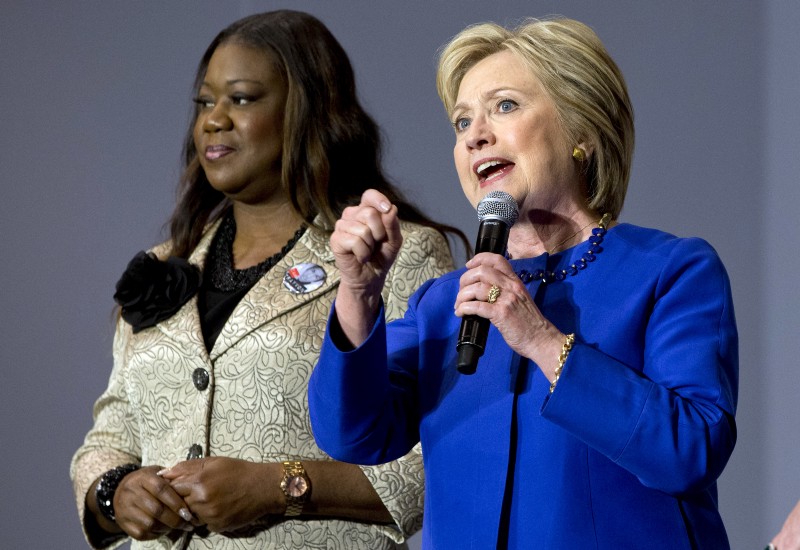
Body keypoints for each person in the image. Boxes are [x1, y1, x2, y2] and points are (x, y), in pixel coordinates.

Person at [308, 16, 738, 549]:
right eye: (462, 123)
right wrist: (358, 293)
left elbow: (692, 449)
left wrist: (542, 341)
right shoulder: (442, 305)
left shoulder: (671, 271)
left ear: (581, 130)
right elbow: (352, 433)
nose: (475, 136)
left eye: (505, 106)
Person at [70, 10, 465, 550]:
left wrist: (278, 488)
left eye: (242, 98)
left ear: (307, 111)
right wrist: (116, 493)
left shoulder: (394, 254)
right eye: (205, 103)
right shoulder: (164, 263)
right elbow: (111, 433)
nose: (214, 119)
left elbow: (447, 454)